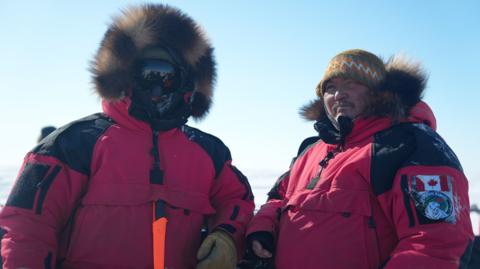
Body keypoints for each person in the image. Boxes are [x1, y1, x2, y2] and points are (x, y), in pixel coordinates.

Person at [0, 4, 254, 269]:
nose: (157, 88)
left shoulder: (209, 153)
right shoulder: (72, 146)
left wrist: (227, 235)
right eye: (148, 75)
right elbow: (25, 230)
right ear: (123, 76)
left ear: (187, 83)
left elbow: (237, 200)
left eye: (168, 78)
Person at [245, 49, 474, 268]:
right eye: (330, 87)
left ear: (378, 92)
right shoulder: (310, 150)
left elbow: (438, 245)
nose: (339, 94)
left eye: (352, 84)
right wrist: (263, 227)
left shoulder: (409, 146)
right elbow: (279, 198)